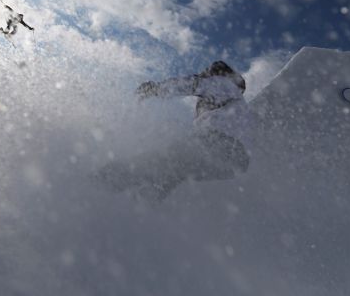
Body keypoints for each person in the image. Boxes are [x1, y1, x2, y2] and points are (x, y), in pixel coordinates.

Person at [95, 61, 253, 202]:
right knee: (175, 170)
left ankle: (104, 180)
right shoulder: (236, 104)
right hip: (234, 164)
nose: (204, 74)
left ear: (217, 73)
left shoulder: (223, 84)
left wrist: (156, 89)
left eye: (207, 72)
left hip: (217, 144)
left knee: (161, 159)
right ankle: (148, 199)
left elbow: (193, 84)